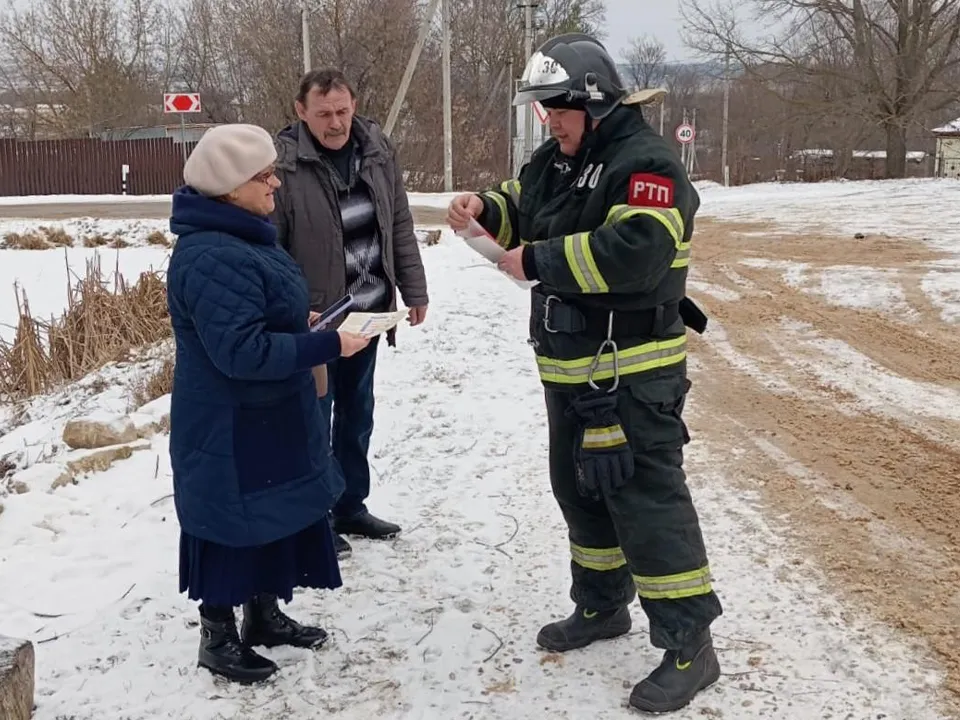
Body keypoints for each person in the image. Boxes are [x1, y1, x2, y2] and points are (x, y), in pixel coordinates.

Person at [445, 34, 723, 714]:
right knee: (580, 491)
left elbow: (637, 253)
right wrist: (485, 209)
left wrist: (538, 261)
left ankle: (691, 644)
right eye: (542, 111)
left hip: (633, 372)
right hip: (570, 370)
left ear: (593, 102)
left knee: (646, 502)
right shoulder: (562, 157)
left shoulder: (646, 162)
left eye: (558, 110)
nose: (549, 122)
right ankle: (602, 607)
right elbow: (523, 198)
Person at [166, 123, 371, 683]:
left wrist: (305, 323)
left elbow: (258, 316)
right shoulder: (211, 254)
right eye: (264, 176)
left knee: (267, 514)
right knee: (230, 521)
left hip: (265, 413)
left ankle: (263, 615)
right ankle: (218, 636)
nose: (276, 184)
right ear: (232, 186)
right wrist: (328, 343)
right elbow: (240, 351)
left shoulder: (242, 235)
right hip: (229, 422)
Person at [271, 68, 429, 556]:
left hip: (369, 313)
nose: (336, 123)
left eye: (342, 111)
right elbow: (272, 247)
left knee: (357, 413)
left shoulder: (376, 149)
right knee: (313, 417)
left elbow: (397, 219)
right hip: (318, 321)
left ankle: (349, 506)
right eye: (323, 114)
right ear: (301, 112)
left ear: (353, 105)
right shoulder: (283, 163)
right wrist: (293, 312)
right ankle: (312, 518)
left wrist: (413, 287)